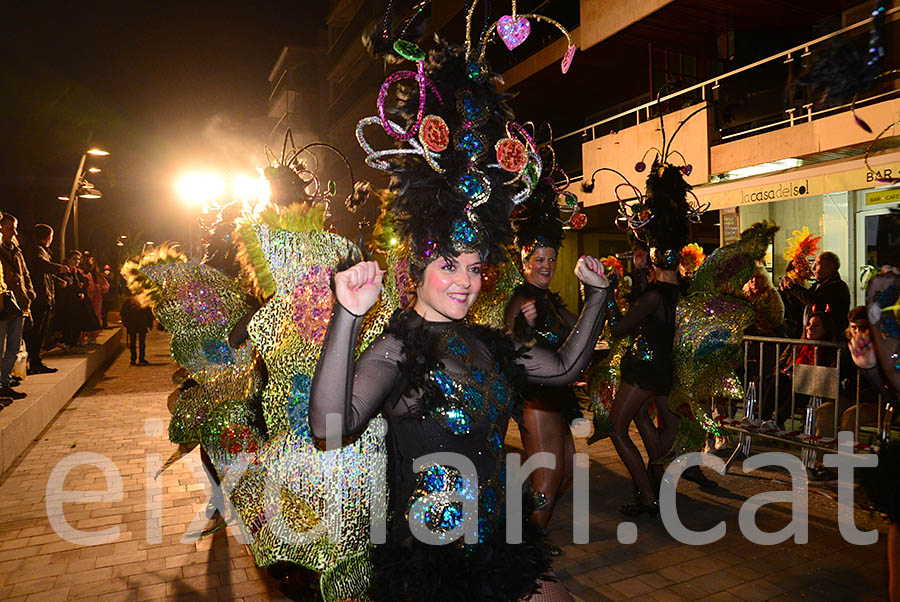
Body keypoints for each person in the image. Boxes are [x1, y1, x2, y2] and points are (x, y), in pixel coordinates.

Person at [310, 37, 601, 602]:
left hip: (495, 547)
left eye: (473, 265)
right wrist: (345, 316)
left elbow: (564, 367)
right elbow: (329, 426)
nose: (465, 280)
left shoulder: (486, 342)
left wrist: (598, 298)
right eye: (448, 265)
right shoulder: (399, 346)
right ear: (417, 268)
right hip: (430, 568)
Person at [504, 189, 578, 544]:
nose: (546, 266)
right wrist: (525, 327)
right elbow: (512, 341)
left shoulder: (548, 298)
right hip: (536, 399)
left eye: (551, 259)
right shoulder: (523, 296)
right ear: (524, 260)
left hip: (557, 397)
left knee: (562, 475)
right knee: (547, 479)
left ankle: (530, 540)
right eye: (539, 260)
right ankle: (526, 554)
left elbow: (578, 326)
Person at [0, 213, 34, 400]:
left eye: (14, 227)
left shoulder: (16, 250)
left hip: (19, 304)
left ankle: (5, 383)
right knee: (1, 347)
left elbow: (25, 273)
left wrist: (29, 293)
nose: (14, 231)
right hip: (3, 305)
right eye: (10, 227)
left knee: (13, 347)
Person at [779, 251, 850, 336]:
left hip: (828, 337)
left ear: (830, 267)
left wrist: (794, 288)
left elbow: (815, 301)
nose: (813, 268)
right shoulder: (817, 285)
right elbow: (802, 305)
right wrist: (788, 292)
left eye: (817, 264)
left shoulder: (838, 286)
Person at [24, 224, 63, 374]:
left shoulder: (37, 250)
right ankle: (34, 362)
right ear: (49, 237)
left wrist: (57, 278)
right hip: (40, 299)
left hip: (42, 297)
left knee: (39, 332)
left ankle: (35, 361)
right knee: (37, 332)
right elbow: (41, 266)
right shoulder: (38, 250)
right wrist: (58, 268)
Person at [79, 255, 109, 344]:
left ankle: (93, 336)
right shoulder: (82, 274)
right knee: (84, 317)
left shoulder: (98, 276)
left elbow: (106, 286)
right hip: (86, 298)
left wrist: (99, 288)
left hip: (96, 300)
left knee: (95, 317)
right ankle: (81, 338)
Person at [119, 294, 152, 365]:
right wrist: (149, 324)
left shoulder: (128, 302)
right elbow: (148, 313)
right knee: (141, 342)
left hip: (132, 325)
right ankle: (141, 358)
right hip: (141, 324)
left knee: (133, 342)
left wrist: (125, 322)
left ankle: (133, 359)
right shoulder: (143, 300)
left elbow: (123, 313)